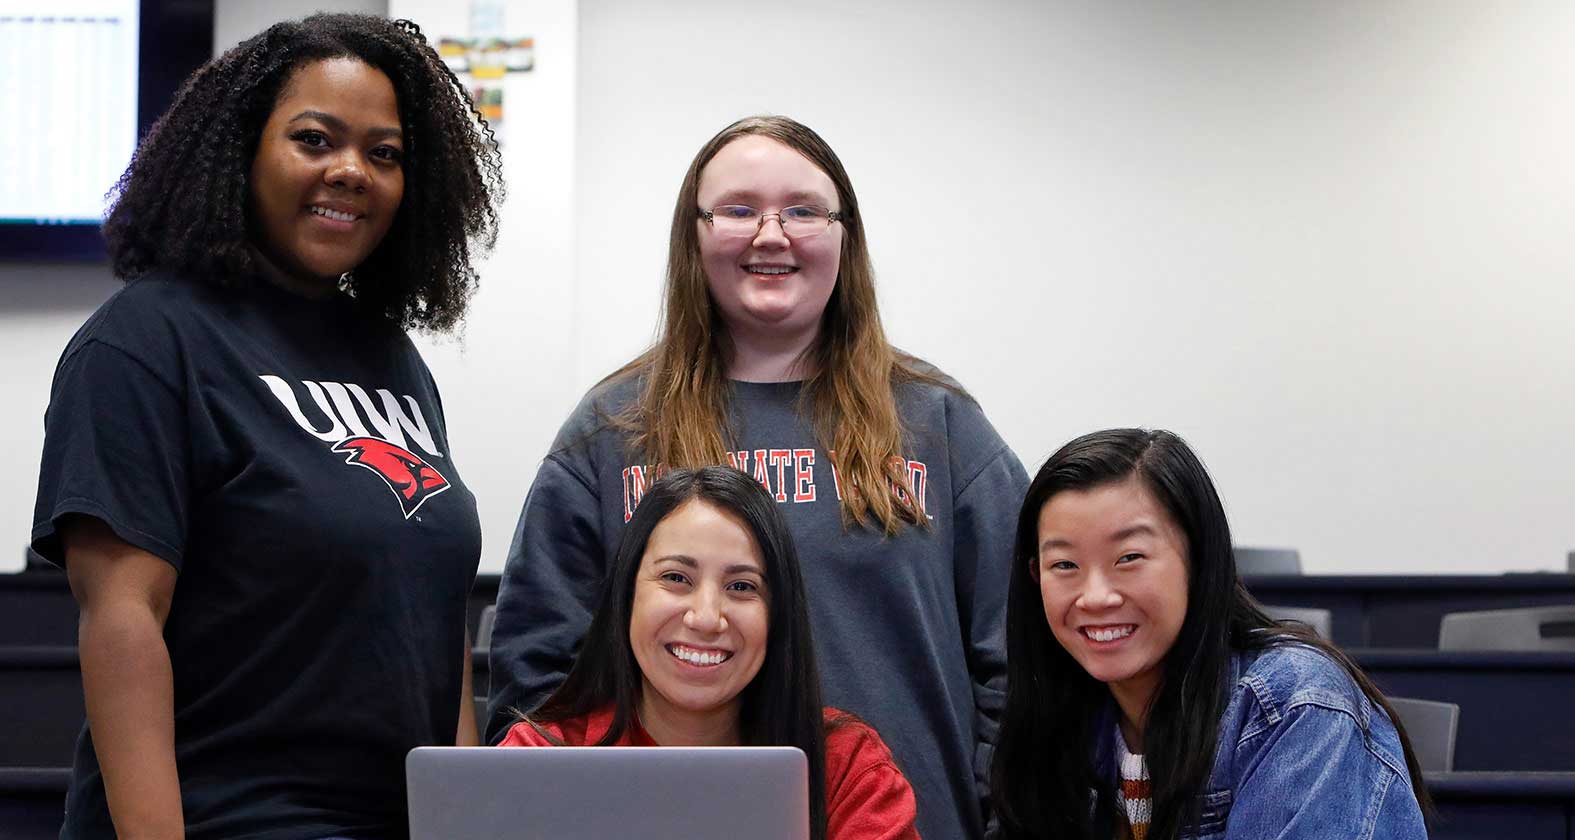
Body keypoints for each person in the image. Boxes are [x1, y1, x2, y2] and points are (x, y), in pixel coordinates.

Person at [486, 115, 1026, 840]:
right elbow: (536, 680)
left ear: (845, 235)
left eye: (803, 210)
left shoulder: (940, 426)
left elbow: (1021, 662)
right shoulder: (612, 431)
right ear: (695, 234)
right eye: (739, 209)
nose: (771, 235)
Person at [28, 14, 501, 839]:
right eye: (315, 139)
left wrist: (457, 818)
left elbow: (435, 618)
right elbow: (121, 620)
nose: (351, 171)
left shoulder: (391, 358)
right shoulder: (145, 340)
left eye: (384, 154)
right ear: (241, 152)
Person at [991, 429, 1433, 840]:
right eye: (1064, 565)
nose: (1096, 596)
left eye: (1129, 557)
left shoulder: (1296, 707)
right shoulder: (1061, 717)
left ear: (1198, 561)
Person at [499, 466, 918, 840]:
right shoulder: (537, 759)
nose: (705, 617)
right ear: (626, 596)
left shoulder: (846, 768)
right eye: (676, 577)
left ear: (778, 615)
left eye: (741, 586)